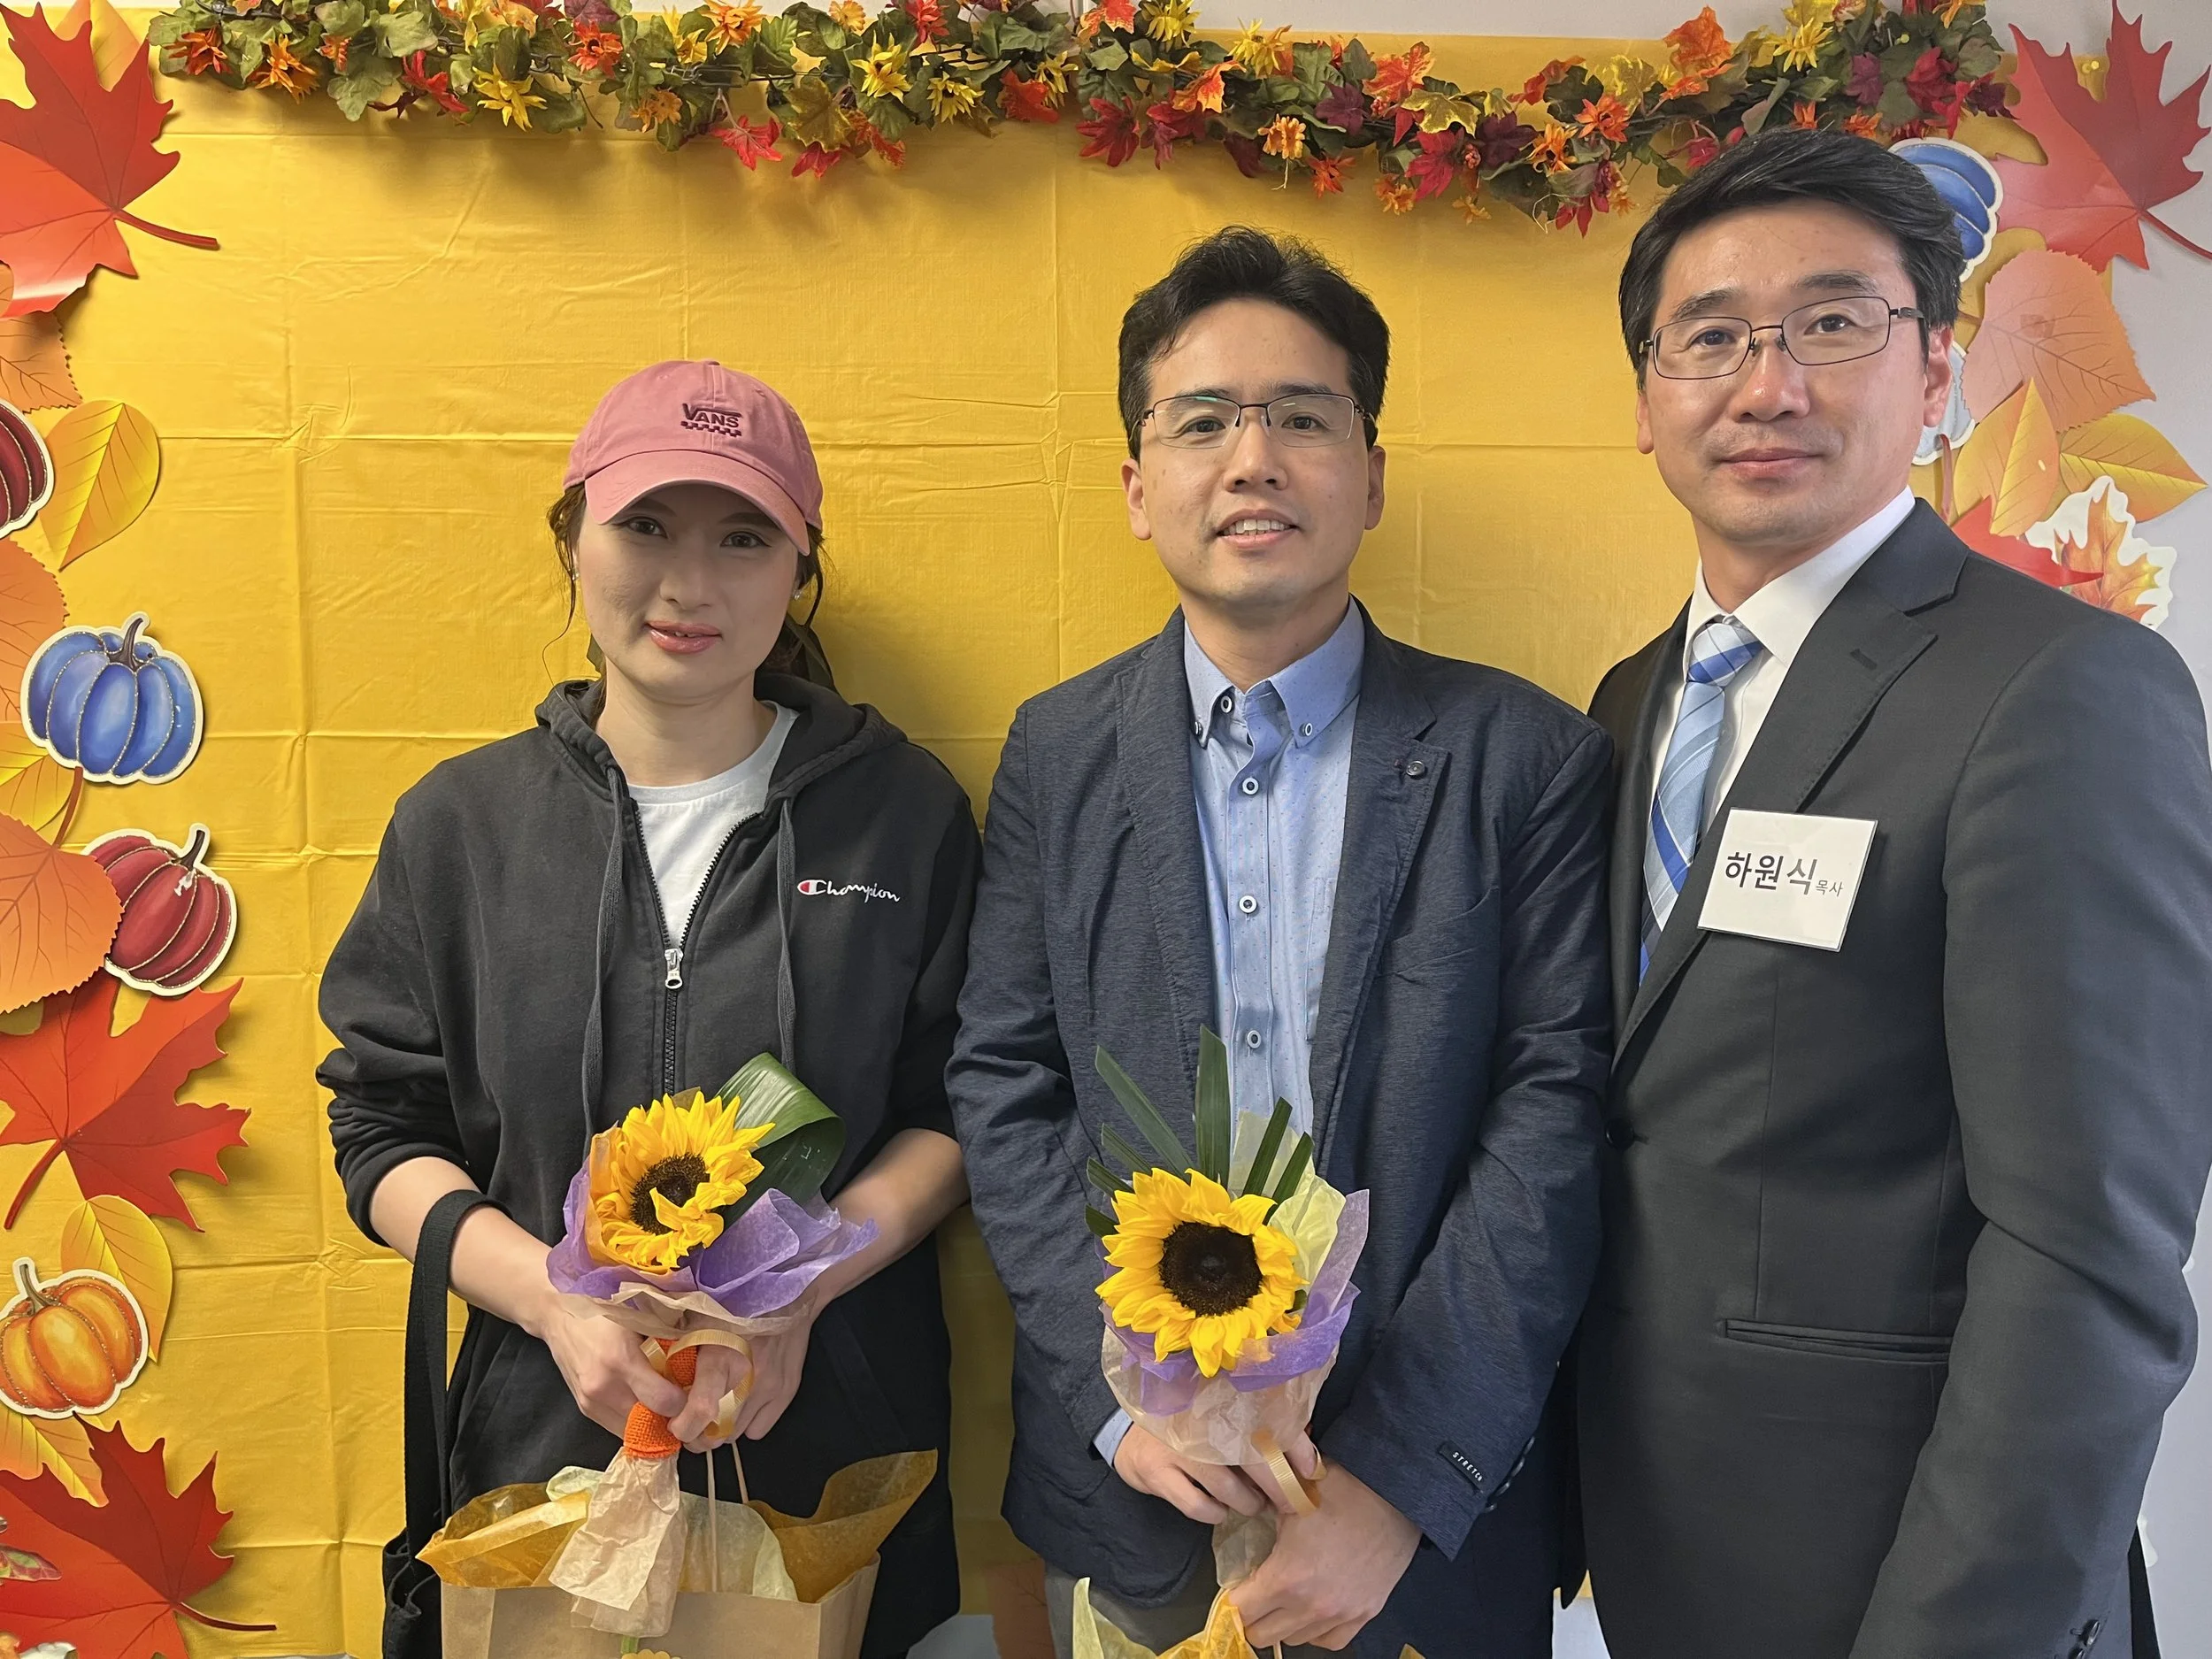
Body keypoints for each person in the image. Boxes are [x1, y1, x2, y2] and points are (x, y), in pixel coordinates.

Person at [1577, 127, 2212, 1659]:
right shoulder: (1629, 700)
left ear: (1934, 373)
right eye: (1710, 337)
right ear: (1648, 402)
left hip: (1915, 1587)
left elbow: (2087, 1259)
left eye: (1832, 323)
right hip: (1670, 1557)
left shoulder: (2060, 691)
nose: (1766, 385)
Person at [949, 227, 1611, 1657]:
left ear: (1371, 475)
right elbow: (1004, 1082)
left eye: (1302, 417)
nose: (1252, 460)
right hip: (1138, 1499)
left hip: (1425, 1518)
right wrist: (1122, 1404)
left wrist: (1399, 1478)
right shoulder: (1057, 754)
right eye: (1202, 422)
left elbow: (1551, 1121)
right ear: (1139, 488)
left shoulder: (1527, 758)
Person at [320, 360, 979, 1658]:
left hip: (832, 1461)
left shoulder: (902, 812)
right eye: (647, 526)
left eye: (744, 538)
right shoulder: (461, 827)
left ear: (800, 570)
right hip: (537, 1456)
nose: (690, 583)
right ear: (573, 541)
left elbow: (958, 1108)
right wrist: (553, 1302)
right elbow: (382, 1132)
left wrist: (803, 1289)